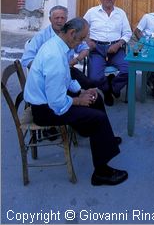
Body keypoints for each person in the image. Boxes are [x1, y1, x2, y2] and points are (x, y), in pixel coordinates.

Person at [24, 18, 128, 186]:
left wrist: (82, 91)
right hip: (44, 110)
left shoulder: (59, 46)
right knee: (97, 119)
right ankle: (101, 173)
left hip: (51, 100)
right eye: (81, 38)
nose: (82, 43)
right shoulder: (54, 55)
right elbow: (57, 102)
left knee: (96, 98)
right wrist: (78, 100)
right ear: (72, 33)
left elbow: (66, 76)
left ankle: (103, 139)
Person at [21, 5, 94, 89]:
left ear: (66, 19)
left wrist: (76, 60)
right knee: (77, 93)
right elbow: (27, 59)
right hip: (49, 76)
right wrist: (46, 70)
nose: (59, 21)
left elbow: (85, 48)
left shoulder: (70, 34)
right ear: (50, 19)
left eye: (62, 18)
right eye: (56, 18)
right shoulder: (41, 36)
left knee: (89, 86)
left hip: (68, 71)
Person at [83, 0, 132, 106]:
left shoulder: (121, 13)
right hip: (96, 49)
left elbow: (127, 32)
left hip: (116, 49)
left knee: (130, 69)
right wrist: (88, 41)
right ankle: (106, 90)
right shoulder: (92, 12)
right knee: (94, 78)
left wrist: (119, 44)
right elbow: (81, 28)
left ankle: (113, 88)